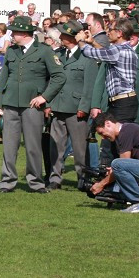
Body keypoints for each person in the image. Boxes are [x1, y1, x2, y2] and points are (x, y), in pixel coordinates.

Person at [0, 16, 66, 194]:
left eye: (15, 32)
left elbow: (59, 76)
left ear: (24, 33)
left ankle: (35, 182)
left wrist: (44, 97)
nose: (12, 34)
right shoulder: (11, 51)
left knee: (33, 146)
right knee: (9, 146)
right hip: (10, 104)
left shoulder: (44, 51)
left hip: (32, 106)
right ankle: (7, 181)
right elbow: (3, 78)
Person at [47, 21, 94, 190]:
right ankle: (55, 178)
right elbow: (52, 79)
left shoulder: (87, 55)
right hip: (58, 106)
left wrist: (84, 106)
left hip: (76, 108)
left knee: (80, 148)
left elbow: (89, 85)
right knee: (56, 146)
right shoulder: (57, 54)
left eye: (63, 35)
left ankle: (83, 178)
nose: (59, 37)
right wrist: (49, 103)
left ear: (71, 37)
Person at [78, 18, 139, 123]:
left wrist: (80, 40)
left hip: (123, 103)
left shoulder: (118, 51)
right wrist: (92, 42)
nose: (108, 32)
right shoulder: (123, 49)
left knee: (119, 136)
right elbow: (104, 52)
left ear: (119, 33)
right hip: (122, 102)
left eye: (110, 29)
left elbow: (89, 53)